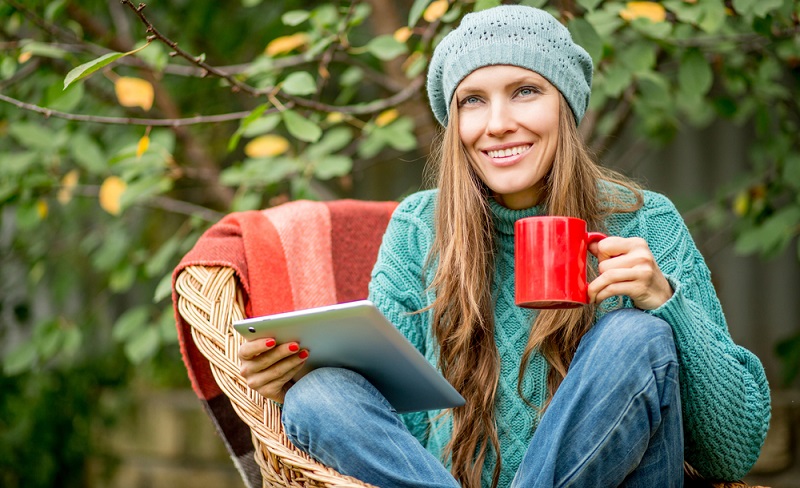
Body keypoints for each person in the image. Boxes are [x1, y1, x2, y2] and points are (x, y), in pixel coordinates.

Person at [237, 5, 771, 487]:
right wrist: (295, 374)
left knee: (636, 336)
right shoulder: (419, 228)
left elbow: (732, 453)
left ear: (565, 104)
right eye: (473, 100)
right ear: (455, 121)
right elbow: (399, 427)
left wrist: (664, 300)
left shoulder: (643, 220)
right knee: (318, 395)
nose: (497, 125)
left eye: (525, 91)